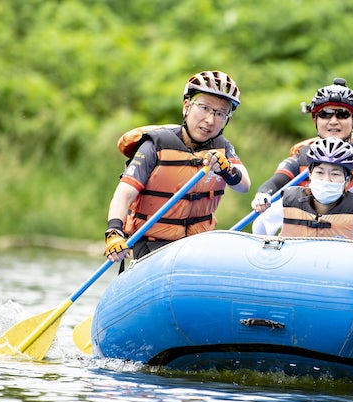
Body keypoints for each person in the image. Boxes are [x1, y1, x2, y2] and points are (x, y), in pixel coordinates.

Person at [105, 70, 251, 263]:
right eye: (205, 108)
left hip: (197, 245)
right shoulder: (154, 145)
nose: (210, 120)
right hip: (152, 246)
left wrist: (226, 170)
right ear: (186, 107)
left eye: (220, 113)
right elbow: (124, 193)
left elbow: (244, 185)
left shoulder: (223, 148)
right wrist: (114, 231)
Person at [250, 77, 353, 220]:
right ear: (315, 119)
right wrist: (263, 194)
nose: (334, 121)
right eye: (325, 114)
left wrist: (348, 154)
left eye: (342, 114)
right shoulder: (302, 156)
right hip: (315, 236)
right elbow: (276, 182)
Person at [252, 137, 353, 253]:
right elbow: (260, 226)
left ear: (347, 181)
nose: (326, 180)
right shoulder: (288, 204)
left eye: (335, 174)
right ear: (310, 175)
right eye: (320, 172)